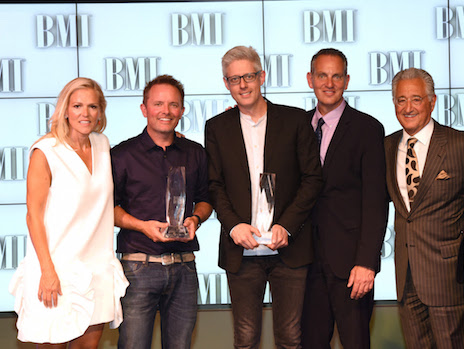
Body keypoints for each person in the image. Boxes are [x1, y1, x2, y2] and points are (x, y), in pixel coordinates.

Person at [205, 45, 322, 349]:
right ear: (226, 83)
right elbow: (214, 185)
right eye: (234, 79)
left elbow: (312, 179)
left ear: (262, 77)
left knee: (291, 338)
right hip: (241, 253)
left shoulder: (295, 121)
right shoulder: (216, 127)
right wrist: (233, 226)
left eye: (248, 77)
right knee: (245, 340)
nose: (242, 85)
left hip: (289, 250)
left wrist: (287, 225)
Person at [9, 78, 128, 348]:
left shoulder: (102, 144)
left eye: (92, 106)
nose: (85, 113)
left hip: (97, 267)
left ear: (101, 112)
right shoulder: (46, 151)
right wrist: (48, 271)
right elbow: (33, 216)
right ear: (65, 109)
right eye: (77, 106)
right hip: (57, 271)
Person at [111, 74, 213, 349]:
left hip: (184, 267)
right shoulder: (121, 155)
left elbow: (205, 199)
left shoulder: (196, 153)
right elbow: (110, 210)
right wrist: (142, 226)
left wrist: (196, 218)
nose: (165, 111)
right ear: (144, 109)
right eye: (158, 104)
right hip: (138, 267)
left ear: (181, 110)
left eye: (173, 105)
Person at [301, 48, 388, 349]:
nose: (329, 82)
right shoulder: (296, 126)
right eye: (322, 75)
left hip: (351, 266)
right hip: (304, 263)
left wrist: (367, 263)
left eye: (336, 75)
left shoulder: (368, 129)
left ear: (347, 80)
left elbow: (376, 202)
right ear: (310, 79)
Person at [385, 68, 464, 348]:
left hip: (447, 277)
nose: (408, 107)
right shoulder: (386, 147)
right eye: (401, 100)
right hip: (405, 277)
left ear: (432, 101)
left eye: (416, 99)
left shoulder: (461, 144)